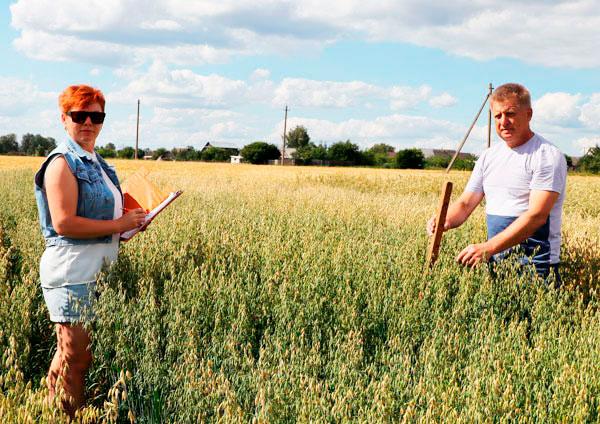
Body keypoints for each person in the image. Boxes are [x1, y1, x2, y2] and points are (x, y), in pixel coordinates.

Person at [34, 85, 146, 416]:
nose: (88, 123)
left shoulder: (97, 163)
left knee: (70, 354)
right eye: (79, 115)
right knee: (77, 357)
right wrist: (119, 224)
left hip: (94, 272)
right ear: (64, 118)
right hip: (72, 273)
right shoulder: (61, 164)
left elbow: (106, 219)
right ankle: (69, 416)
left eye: (96, 116)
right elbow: (65, 223)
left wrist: (131, 224)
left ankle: (50, 412)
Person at [427, 83, 567, 282]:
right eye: (498, 116)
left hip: (536, 265)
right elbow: (466, 204)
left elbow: (537, 216)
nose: (504, 122)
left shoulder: (546, 155)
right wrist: (444, 221)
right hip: (497, 262)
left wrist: (487, 248)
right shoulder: (488, 157)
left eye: (510, 113)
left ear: (528, 114)